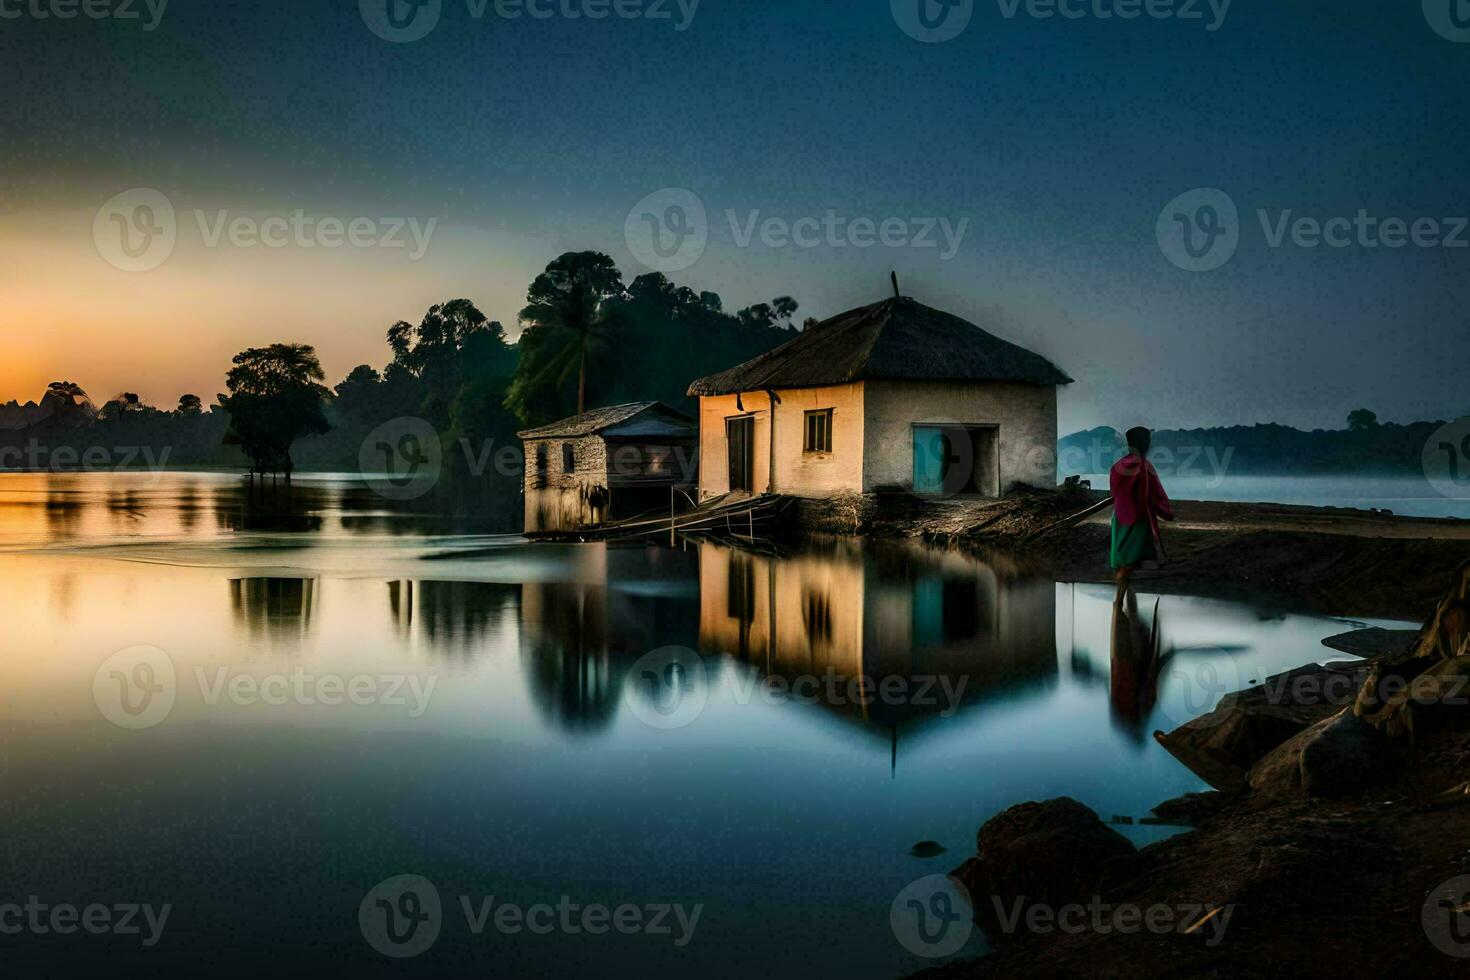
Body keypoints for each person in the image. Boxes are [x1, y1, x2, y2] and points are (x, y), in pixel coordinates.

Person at [1110, 426, 1173, 602]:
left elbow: (1114, 492)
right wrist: (1167, 511)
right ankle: (1119, 602)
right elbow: (1156, 493)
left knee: (1124, 557)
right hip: (1138, 518)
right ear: (1144, 444)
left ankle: (1126, 606)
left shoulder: (1117, 466)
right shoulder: (1145, 466)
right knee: (1130, 561)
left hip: (1119, 517)